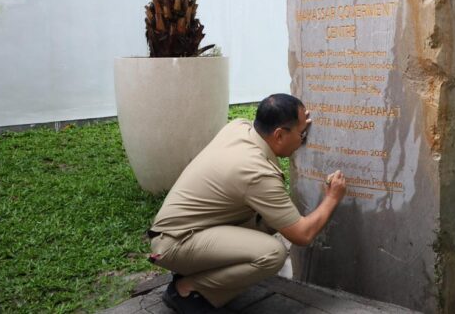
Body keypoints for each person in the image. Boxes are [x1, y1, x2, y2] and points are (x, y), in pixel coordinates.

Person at [148, 93, 346, 314]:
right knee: (272, 254)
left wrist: (295, 125)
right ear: (279, 135)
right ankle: (188, 289)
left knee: (274, 220)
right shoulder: (256, 172)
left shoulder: (239, 127)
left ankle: (199, 270)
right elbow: (302, 234)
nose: (303, 138)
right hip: (175, 244)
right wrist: (332, 198)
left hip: (188, 229)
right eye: (301, 133)